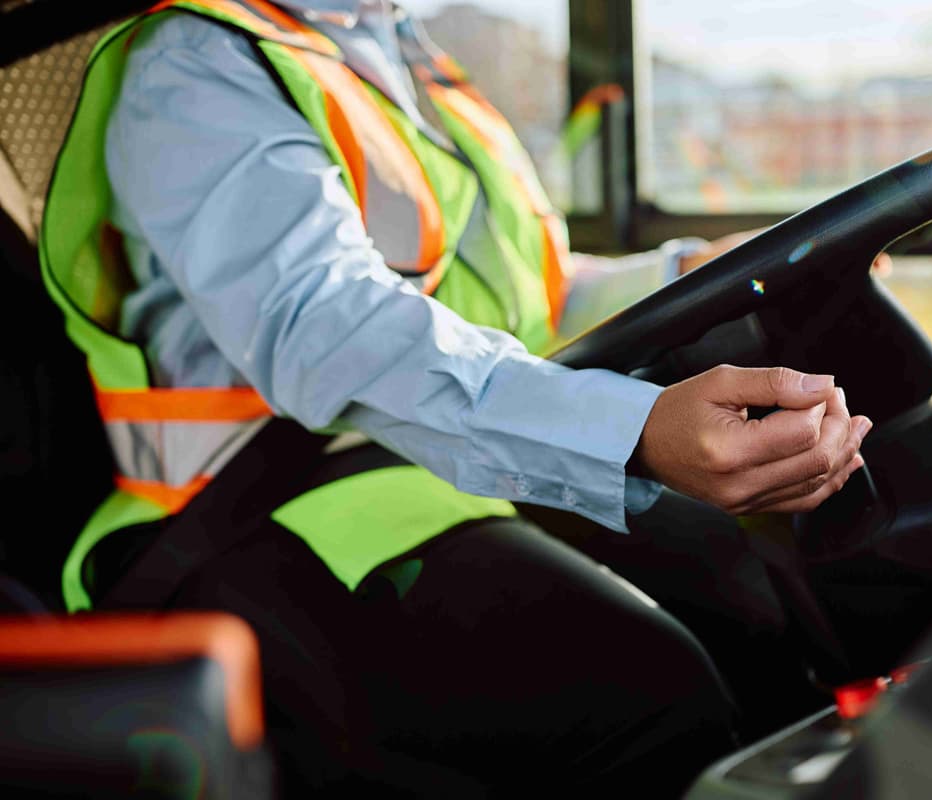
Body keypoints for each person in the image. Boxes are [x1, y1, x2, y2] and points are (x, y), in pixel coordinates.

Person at [39, 0, 871, 794]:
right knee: (648, 693)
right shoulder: (199, 65)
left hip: (437, 458)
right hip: (262, 511)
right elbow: (329, 327)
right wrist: (633, 432)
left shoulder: (395, 51)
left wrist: (685, 274)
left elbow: (507, 304)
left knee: (775, 606)